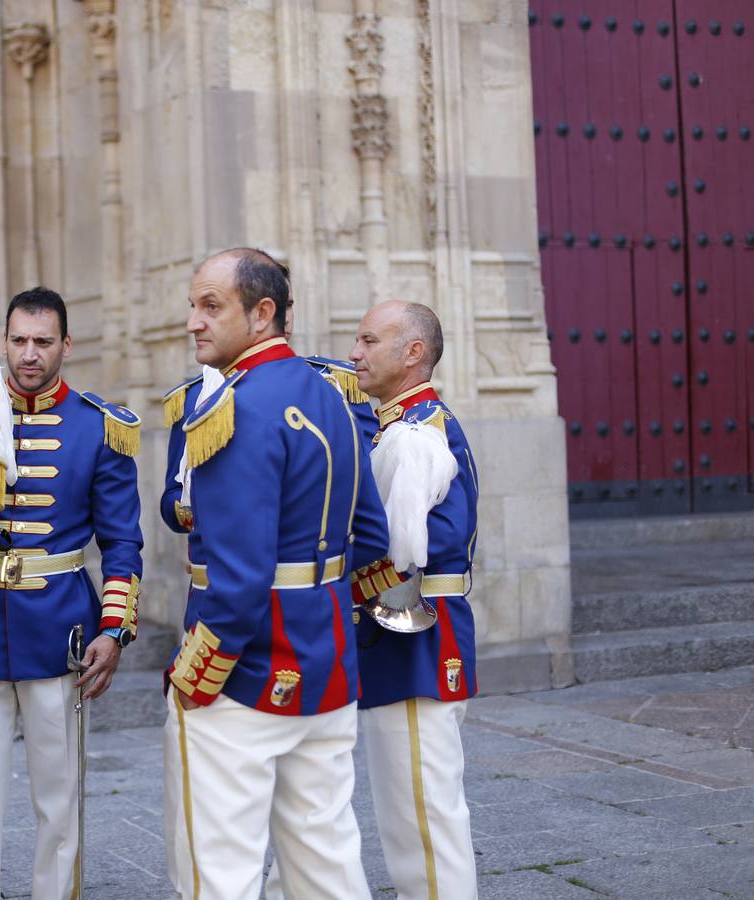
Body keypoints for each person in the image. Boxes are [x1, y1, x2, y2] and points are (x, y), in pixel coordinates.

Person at [160, 256, 389, 899]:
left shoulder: (234, 409)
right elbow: (370, 534)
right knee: (326, 859)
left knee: (220, 868)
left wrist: (198, 670)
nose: (192, 322)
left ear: (264, 314)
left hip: (246, 667)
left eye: (211, 306)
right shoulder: (335, 393)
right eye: (193, 305)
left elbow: (238, 579)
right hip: (327, 652)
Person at [0, 286, 143, 900]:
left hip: (59, 627)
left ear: (66, 344)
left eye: (42, 341)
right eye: (18, 340)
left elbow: (122, 544)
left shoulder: (100, 427)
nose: (29, 354)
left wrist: (113, 630)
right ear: (3, 342)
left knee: (58, 799)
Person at [349, 300, 480, 899]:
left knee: (422, 821)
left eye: (369, 340)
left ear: (413, 354)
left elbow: (399, 551)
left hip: (413, 634)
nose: (356, 352)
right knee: (411, 813)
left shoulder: (413, 432)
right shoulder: (406, 423)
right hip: (406, 635)